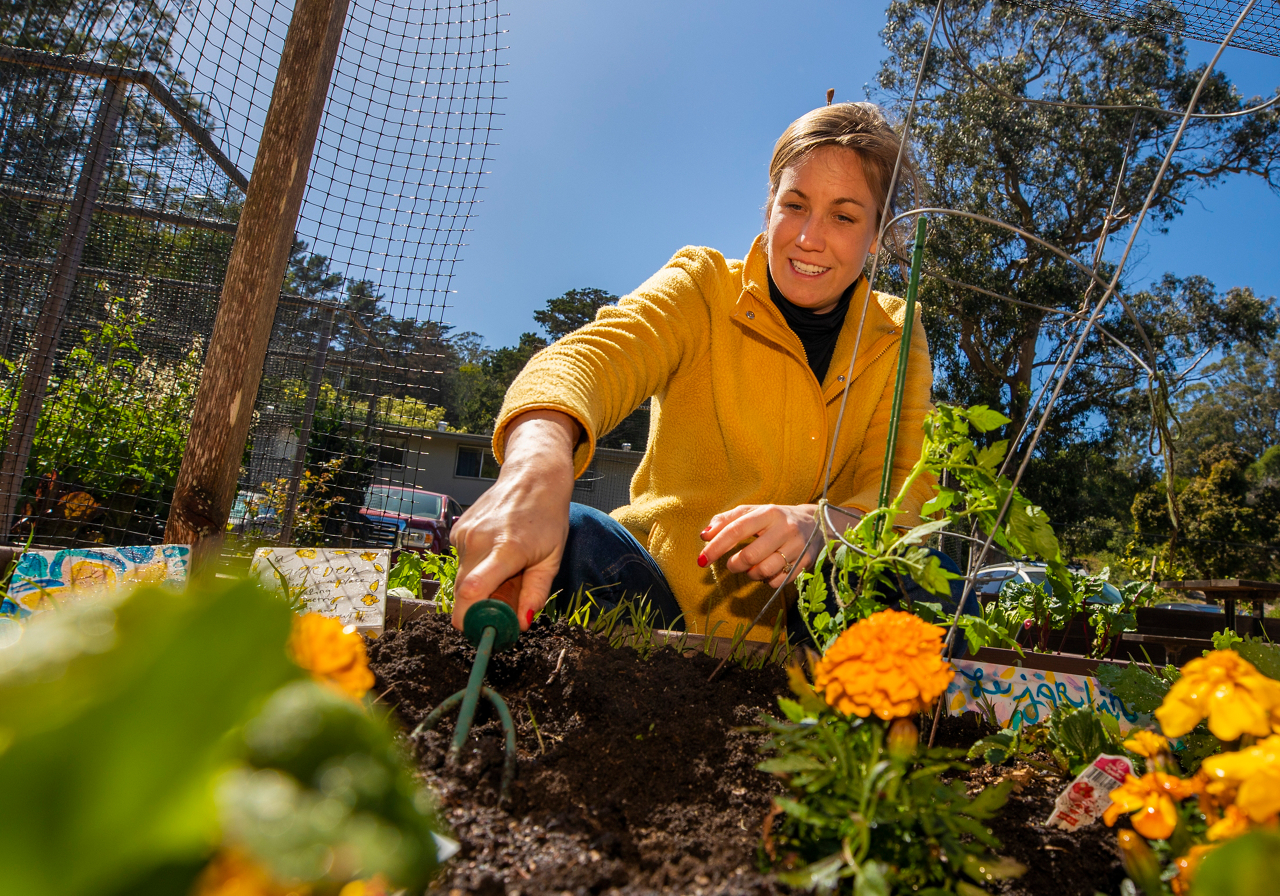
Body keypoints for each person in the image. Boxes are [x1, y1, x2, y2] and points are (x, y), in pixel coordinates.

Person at [450, 100, 966, 644]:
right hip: (653, 604)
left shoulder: (897, 334)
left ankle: (837, 719)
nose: (809, 237)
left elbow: (907, 494)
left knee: (922, 581)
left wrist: (824, 527)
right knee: (575, 535)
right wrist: (537, 468)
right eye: (794, 205)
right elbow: (587, 359)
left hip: (805, 632)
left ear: (879, 233)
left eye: (843, 216)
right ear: (769, 206)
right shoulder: (703, 287)